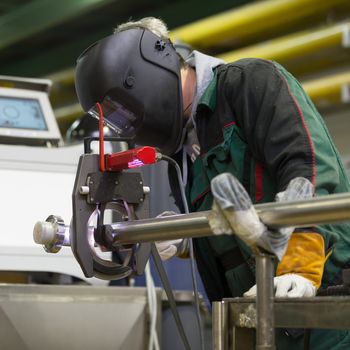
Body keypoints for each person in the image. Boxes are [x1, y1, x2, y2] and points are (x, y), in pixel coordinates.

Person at [74, 17, 350, 349]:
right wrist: (184, 238)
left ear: (151, 70)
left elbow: (310, 167)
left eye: (128, 113)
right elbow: (228, 224)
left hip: (323, 303)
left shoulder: (250, 83)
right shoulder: (182, 143)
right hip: (258, 312)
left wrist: (301, 264)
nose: (133, 127)